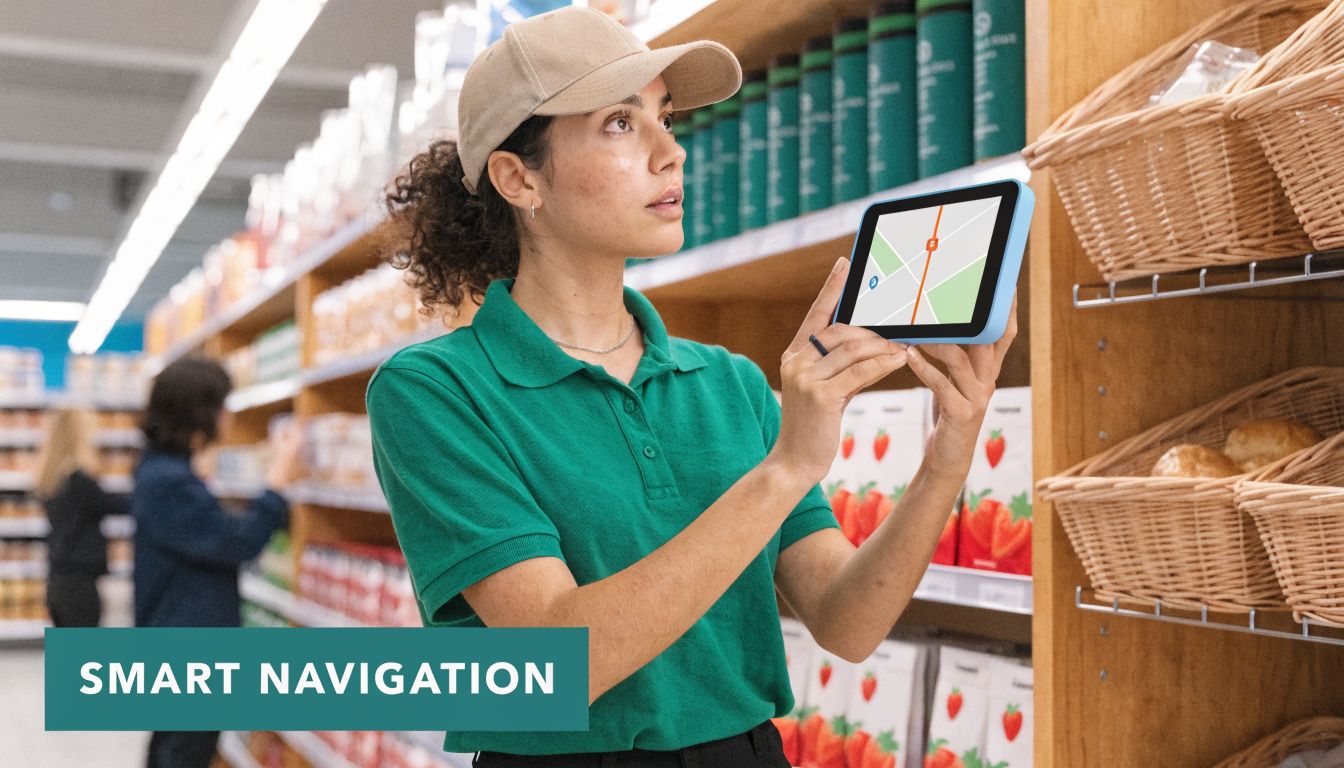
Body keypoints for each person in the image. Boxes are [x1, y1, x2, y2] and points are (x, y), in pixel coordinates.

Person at [366, 6, 1017, 766]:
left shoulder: (728, 382)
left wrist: (949, 452)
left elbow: (847, 622)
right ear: (519, 178)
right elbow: (554, 664)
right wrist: (785, 469)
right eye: (620, 123)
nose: (671, 151)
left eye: (666, 118)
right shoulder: (434, 392)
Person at [131, 355, 302, 768]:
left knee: (170, 748)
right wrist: (277, 479)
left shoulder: (162, 471)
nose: (228, 417)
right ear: (199, 413)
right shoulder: (168, 482)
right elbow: (239, 542)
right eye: (224, 406)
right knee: (183, 753)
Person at [33, 407, 126, 627]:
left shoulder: (51, 479)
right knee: (83, 655)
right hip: (79, 583)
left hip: (57, 580)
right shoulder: (79, 482)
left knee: (69, 656)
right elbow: (115, 504)